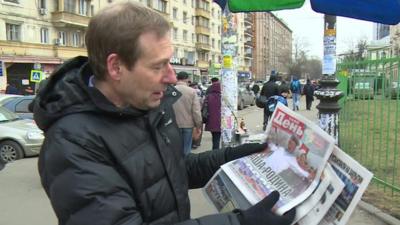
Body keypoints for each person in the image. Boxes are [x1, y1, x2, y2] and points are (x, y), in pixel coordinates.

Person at [31, 3, 295, 225]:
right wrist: (239, 222)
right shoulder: (71, 142)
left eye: (169, 62)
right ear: (116, 67)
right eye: (158, 66)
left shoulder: (143, 106)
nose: (171, 77)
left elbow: (175, 169)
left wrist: (235, 156)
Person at [172, 71, 202, 155]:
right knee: (186, 149)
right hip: (188, 125)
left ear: (177, 78)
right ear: (187, 79)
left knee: (175, 149)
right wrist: (198, 126)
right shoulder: (192, 91)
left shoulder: (170, 91)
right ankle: (186, 166)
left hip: (173, 125)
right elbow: (196, 111)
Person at [204, 77, 222, 150]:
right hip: (221, 121)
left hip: (211, 121)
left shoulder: (208, 96)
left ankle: (215, 152)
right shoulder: (223, 97)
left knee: (215, 138)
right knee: (219, 139)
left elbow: (204, 108)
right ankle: (216, 154)